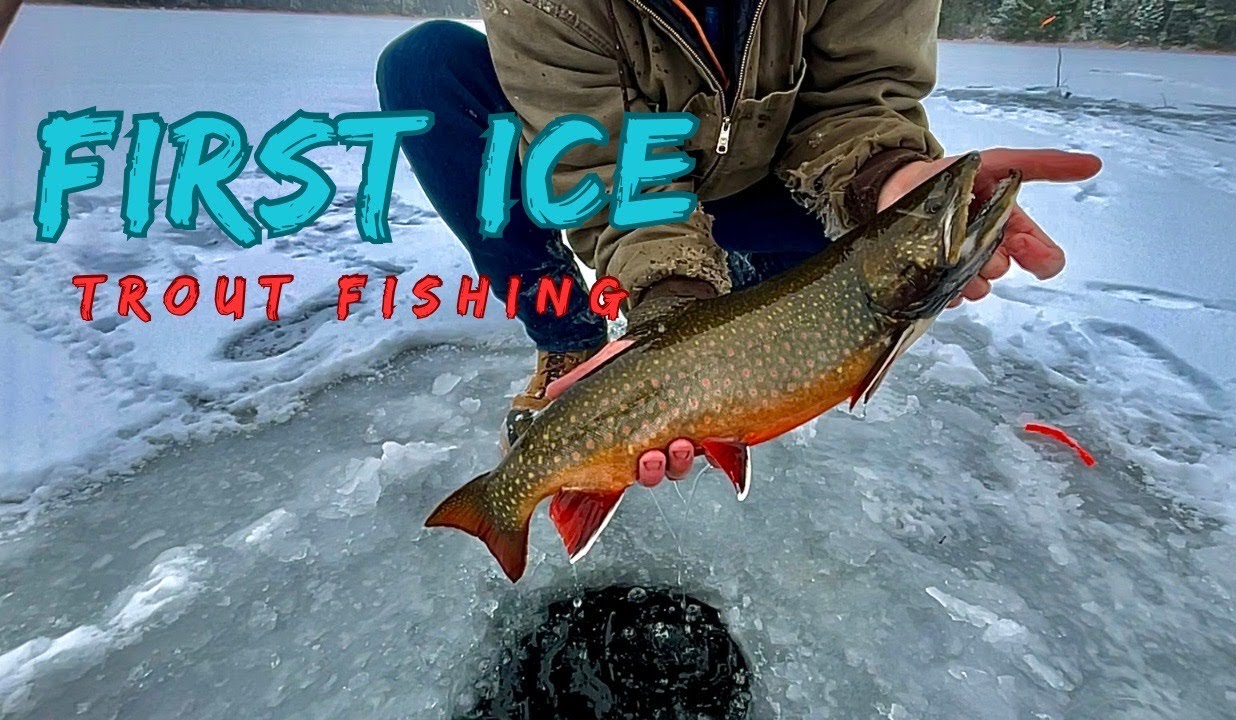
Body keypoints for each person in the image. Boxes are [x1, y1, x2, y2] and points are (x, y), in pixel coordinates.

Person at [376, 0, 1101, 485]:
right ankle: (570, 344)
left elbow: (858, 101)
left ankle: (744, 284)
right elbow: (600, 167)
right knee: (426, 65)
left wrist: (895, 179)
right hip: (641, 188)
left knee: (803, 317)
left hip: (785, 185)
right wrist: (673, 312)